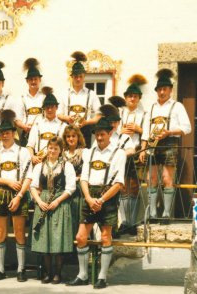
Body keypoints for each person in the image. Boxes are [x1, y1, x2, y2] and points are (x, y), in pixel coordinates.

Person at [66, 117, 126, 289]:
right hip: (90, 195)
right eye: (97, 135)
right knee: (80, 237)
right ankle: (83, 274)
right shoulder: (89, 152)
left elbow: (119, 183)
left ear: (110, 133)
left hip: (107, 197)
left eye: (102, 134)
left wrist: (101, 200)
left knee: (106, 237)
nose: (99, 138)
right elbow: (84, 178)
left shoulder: (119, 153)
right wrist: (88, 198)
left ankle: (102, 277)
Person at [0, 110, 32, 282]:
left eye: (7, 132)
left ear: (14, 133)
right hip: (0, 194)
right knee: (0, 232)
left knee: (19, 232)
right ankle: (0, 270)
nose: (4, 135)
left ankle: (21, 269)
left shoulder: (23, 152)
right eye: (2, 133)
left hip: (18, 195)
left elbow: (29, 177)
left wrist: (19, 196)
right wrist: (7, 182)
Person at [139, 69, 191, 222]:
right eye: (159, 89)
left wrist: (169, 132)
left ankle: (167, 213)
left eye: (165, 89)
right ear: (156, 91)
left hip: (169, 143)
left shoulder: (177, 106)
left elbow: (187, 128)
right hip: (153, 145)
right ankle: (153, 213)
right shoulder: (152, 108)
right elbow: (146, 132)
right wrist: (143, 148)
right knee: (151, 178)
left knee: (167, 179)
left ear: (170, 90)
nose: (162, 92)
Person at [31, 136, 76, 284]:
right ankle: (47, 273)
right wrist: (39, 201)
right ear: (47, 148)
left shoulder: (66, 166)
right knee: (45, 239)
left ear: (60, 150)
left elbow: (71, 188)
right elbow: (33, 186)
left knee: (57, 239)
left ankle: (57, 273)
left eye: (56, 148)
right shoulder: (39, 166)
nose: (52, 151)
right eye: (50, 148)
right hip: (43, 202)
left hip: (59, 204)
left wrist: (57, 201)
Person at [118, 74, 147, 234]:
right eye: (129, 96)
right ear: (126, 97)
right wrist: (121, 130)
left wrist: (139, 130)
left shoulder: (144, 114)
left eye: (135, 96)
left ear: (139, 98)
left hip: (136, 152)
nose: (132, 98)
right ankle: (124, 221)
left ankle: (133, 222)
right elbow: (113, 132)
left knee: (134, 187)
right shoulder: (120, 113)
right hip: (122, 153)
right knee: (122, 186)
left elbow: (148, 134)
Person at [58, 51, 101, 148]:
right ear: (72, 77)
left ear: (84, 76)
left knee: (84, 158)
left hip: (85, 131)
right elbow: (59, 114)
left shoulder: (91, 94)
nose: (78, 79)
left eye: (80, 76)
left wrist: (86, 122)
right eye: (76, 76)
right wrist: (68, 118)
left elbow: (99, 116)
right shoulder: (64, 94)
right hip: (68, 132)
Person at [27, 87, 66, 165]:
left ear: (57, 107)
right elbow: (29, 146)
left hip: (57, 163)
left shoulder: (63, 126)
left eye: (52, 107)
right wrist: (32, 157)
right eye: (47, 107)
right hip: (39, 163)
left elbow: (65, 148)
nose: (50, 110)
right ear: (44, 109)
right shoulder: (37, 125)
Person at [62, 125, 86, 242]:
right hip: (64, 189)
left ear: (78, 137)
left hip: (79, 190)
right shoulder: (61, 153)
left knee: (78, 217)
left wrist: (78, 178)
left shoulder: (84, 152)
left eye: (73, 136)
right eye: (68, 136)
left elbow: (87, 171)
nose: (71, 139)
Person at [15, 58, 44, 146]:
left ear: (40, 80)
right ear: (27, 81)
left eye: (35, 79)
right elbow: (17, 120)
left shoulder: (45, 97)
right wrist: (25, 127)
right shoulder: (22, 98)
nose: (33, 81)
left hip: (42, 133)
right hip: (26, 134)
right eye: (31, 79)